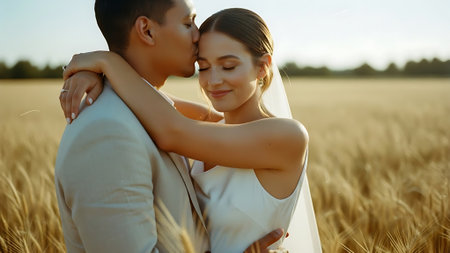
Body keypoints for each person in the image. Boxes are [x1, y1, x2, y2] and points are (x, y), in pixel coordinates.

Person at [61, 7, 323, 252]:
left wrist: (107, 62)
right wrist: (96, 75)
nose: (213, 81)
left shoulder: (288, 137)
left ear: (263, 66)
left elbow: (171, 130)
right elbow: (155, 99)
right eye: (204, 67)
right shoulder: (208, 125)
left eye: (228, 66)